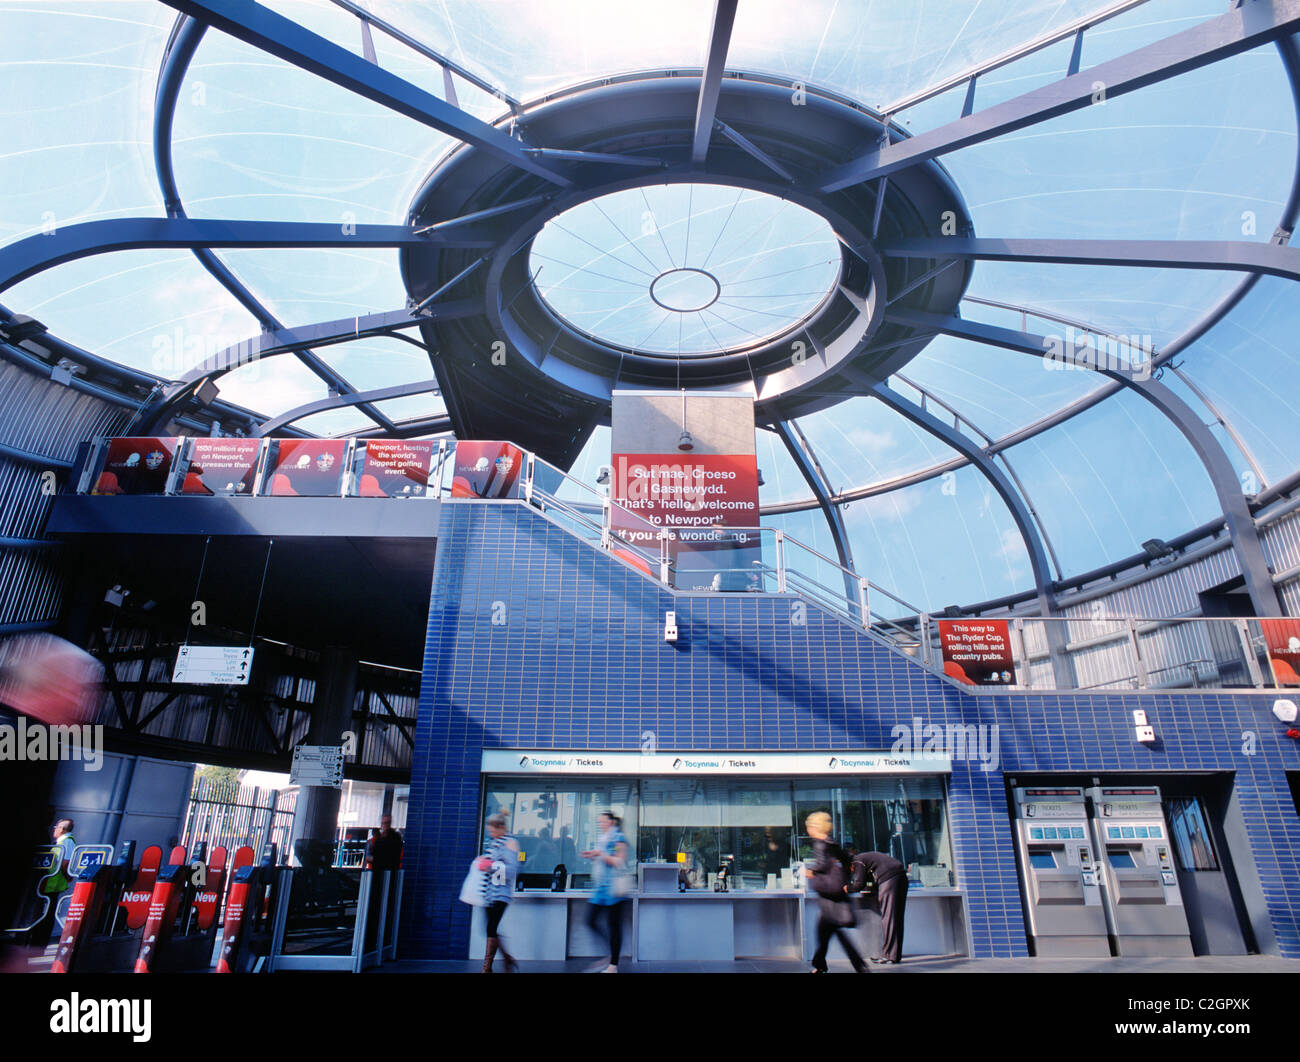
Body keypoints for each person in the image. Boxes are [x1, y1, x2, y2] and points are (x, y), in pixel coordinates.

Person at [803, 811, 867, 974]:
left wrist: (811, 871)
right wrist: (843, 881)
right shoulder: (833, 844)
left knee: (828, 931)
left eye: (809, 826)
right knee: (827, 931)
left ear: (815, 827)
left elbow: (823, 865)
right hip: (837, 894)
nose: (808, 829)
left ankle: (858, 966)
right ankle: (820, 966)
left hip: (828, 896)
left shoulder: (819, 843)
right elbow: (848, 861)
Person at [581, 811, 629, 972]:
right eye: (599, 822)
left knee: (613, 925)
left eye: (602, 822)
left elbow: (619, 860)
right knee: (590, 920)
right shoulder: (603, 839)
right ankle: (610, 953)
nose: (600, 825)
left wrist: (601, 854)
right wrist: (593, 855)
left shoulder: (618, 838)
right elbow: (603, 858)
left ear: (611, 822)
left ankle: (613, 965)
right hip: (601, 888)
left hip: (614, 889)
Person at [850, 849, 909, 964]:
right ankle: (894, 955)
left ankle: (888, 956)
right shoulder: (866, 858)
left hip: (889, 879)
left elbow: (859, 884)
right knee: (896, 918)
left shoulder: (857, 861)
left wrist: (848, 888)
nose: (853, 872)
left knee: (889, 918)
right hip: (900, 876)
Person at [478, 813, 520, 972]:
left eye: (493, 831)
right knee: (490, 928)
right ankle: (508, 959)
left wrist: (490, 866)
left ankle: (486, 967)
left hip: (501, 893)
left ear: (501, 827)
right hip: (488, 892)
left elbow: (512, 870)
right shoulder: (493, 843)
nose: (491, 834)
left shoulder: (511, 843)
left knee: (491, 927)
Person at [29, 819, 76, 953]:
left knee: (46, 915)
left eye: (56, 827)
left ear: (62, 829)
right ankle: (35, 944)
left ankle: (38, 946)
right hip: (47, 883)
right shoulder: (61, 841)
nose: (54, 829)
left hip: (52, 884)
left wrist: (68, 877)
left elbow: (65, 863)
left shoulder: (67, 841)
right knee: (42, 914)